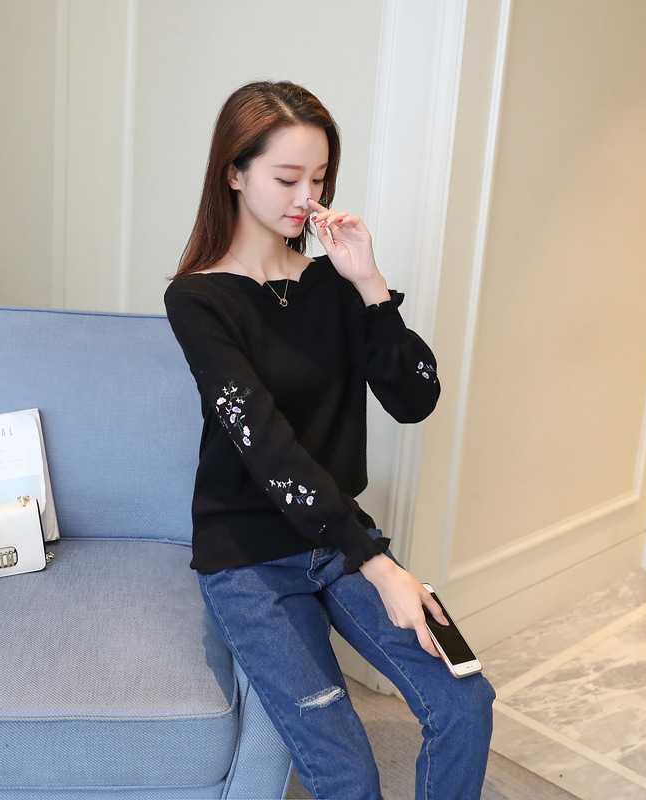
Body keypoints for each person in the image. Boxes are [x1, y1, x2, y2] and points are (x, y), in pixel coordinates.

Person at [164, 80, 494, 800]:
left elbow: (416, 398)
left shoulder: (334, 283)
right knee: (346, 772)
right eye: (287, 178)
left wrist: (369, 282)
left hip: (338, 537)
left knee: (465, 701)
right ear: (234, 172)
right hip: (249, 556)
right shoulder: (197, 299)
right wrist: (378, 563)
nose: (307, 198)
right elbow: (266, 446)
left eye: (318, 179)